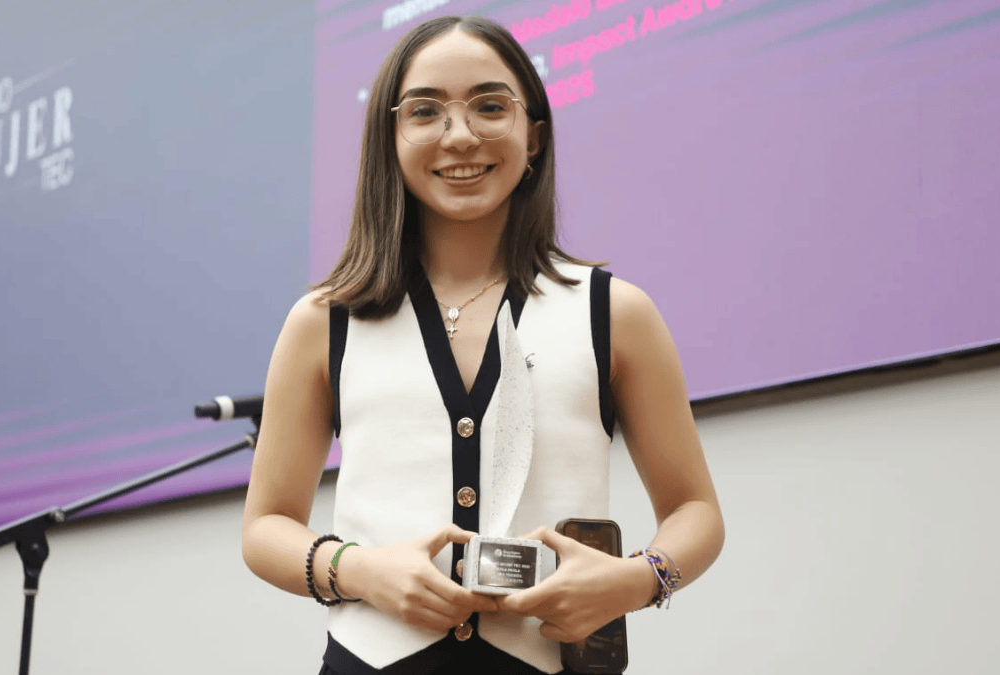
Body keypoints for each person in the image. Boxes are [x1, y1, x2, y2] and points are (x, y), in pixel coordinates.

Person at [242, 15, 724, 675]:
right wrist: (362, 571)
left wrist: (636, 580)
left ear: (535, 133)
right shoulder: (325, 320)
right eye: (426, 111)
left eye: (491, 106)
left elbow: (695, 510)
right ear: (391, 137)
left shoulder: (614, 311)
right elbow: (266, 525)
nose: (461, 135)